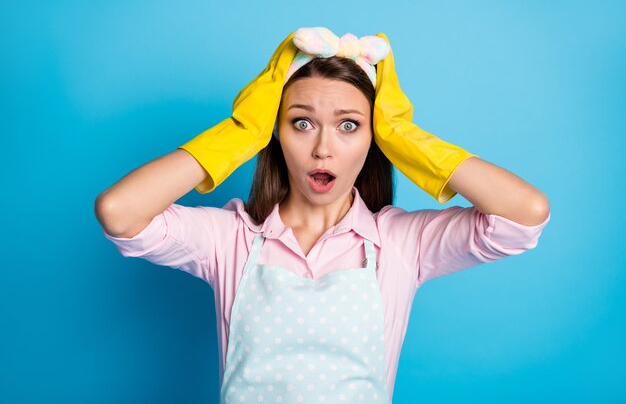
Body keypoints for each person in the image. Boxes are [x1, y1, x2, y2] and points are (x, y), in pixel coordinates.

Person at [95, 27, 551, 404]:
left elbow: (524, 215)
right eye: (302, 122)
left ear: (375, 139)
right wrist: (241, 132)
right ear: (275, 132)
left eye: (349, 125)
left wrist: (405, 136)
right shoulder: (229, 238)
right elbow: (120, 212)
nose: (323, 148)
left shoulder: (399, 243)